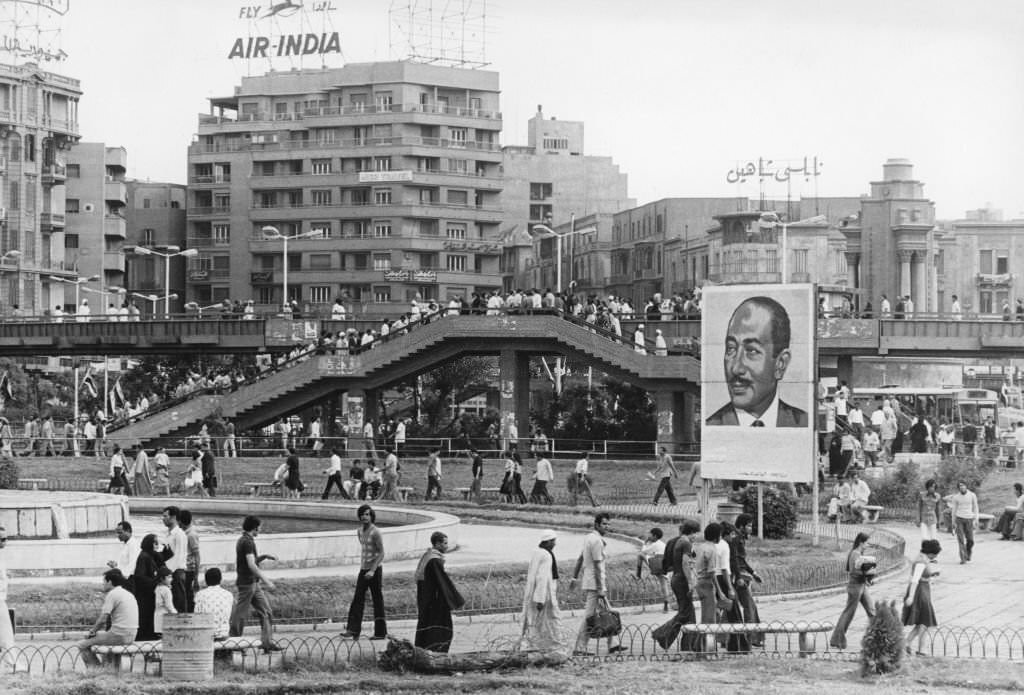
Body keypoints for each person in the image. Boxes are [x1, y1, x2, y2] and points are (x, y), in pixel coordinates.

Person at [705, 296, 808, 427]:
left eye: (752, 351)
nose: (736, 368)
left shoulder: (803, 423)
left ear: (781, 363)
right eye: (731, 348)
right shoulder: (712, 426)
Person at [571, 513, 624, 656]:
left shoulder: (589, 538)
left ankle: (613, 644)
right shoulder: (597, 542)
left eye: (608, 524)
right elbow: (597, 566)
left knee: (607, 611)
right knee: (589, 616)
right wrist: (601, 588)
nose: (607, 527)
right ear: (596, 524)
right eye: (604, 524)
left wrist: (575, 577)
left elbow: (581, 558)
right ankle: (580, 648)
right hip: (595, 584)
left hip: (592, 582)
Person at [228, 516, 280, 651]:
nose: (260, 529)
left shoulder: (244, 540)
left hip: (253, 584)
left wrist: (263, 557)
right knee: (240, 615)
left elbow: (249, 561)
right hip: (247, 584)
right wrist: (267, 581)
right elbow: (251, 565)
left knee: (266, 611)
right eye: (259, 527)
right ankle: (234, 643)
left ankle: (267, 643)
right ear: (255, 527)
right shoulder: (247, 542)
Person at [76, 569, 139, 667]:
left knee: (82, 644)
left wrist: (92, 632)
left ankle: (96, 670)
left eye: (104, 582)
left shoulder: (112, 594)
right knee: (103, 637)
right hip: (132, 635)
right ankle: (112, 669)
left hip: (119, 635)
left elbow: (103, 619)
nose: (103, 584)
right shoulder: (127, 593)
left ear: (109, 582)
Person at [414, 531, 465, 652]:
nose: (447, 546)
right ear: (437, 544)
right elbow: (443, 582)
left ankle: (423, 650)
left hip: (426, 599)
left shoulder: (427, 556)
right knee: (441, 627)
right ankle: (437, 652)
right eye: (445, 543)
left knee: (426, 625)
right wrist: (456, 600)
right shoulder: (434, 560)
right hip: (435, 601)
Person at [342, 505, 387, 640]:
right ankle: (353, 630)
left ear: (372, 516)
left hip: (374, 570)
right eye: (362, 514)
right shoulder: (359, 531)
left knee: (377, 600)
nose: (364, 517)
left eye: (367, 514)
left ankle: (380, 633)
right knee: (358, 599)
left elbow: (381, 553)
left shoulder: (376, 532)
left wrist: (373, 570)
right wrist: (366, 569)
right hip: (363, 569)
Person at [520, 529, 566, 653]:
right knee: (552, 622)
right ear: (547, 542)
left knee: (533, 622)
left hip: (533, 593)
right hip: (545, 596)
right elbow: (542, 578)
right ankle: (554, 648)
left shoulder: (537, 552)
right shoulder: (546, 555)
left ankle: (531, 646)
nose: (555, 544)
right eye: (553, 541)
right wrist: (540, 599)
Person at [829, 532, 876, 650]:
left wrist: (868, 578)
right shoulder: (855, 554)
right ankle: (837, 640)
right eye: (867, 543)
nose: (868, 545)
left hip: (861, 586)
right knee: (848, 613)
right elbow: (853, 572)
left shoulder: (860, 554)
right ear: (861, 542)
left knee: (872, 611)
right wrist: (868, 573)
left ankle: (876, 638)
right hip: (855, 587)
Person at [902, 539, 941, 656]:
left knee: (923, 621)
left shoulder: (923, 559)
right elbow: (914, 580)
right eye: (935, 554)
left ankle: (908, 643)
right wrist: (910, 596)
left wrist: (931, 575)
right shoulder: (921, 562)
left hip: (924, 589)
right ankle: (917, 647)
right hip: (920, 592)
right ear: (931, 553)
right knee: (925, 620)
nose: (934, 557)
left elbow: (921, 576)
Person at [730, 514, 763, 647]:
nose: (751, 528)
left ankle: (723, 637)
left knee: (733, 608)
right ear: (741, 526)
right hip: (739, 577)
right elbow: (736, 560)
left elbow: (741, 560)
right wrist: (738, 577)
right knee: (749, 607)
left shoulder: (739, 538)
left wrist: (753, 573)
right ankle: (752, 638)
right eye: (749, 525)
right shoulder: (737, 538)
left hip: (741, 575)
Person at [132, 533, 164, 641]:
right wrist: (155, 580)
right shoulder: (144, 557)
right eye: (155, 543)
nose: (157, 545)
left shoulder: (149, 555)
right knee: (145, 617)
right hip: (144, 594)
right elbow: (139, 576)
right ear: (150, 544)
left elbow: (162, 559)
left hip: (149, 592)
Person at [160, 505, 189, 613]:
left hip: (176, 571)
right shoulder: (168, 534)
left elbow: (179, 556)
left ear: (173, 517)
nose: (163, 518)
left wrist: (168, 571)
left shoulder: (179, 534)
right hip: (169, 572)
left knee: (179, 601)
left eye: (165, 516)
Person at [637, 527, 671, 612]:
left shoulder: (655, 545)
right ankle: (666, 604)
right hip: (665, 565)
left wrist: (645, 542)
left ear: (655, 536)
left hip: (658, 565)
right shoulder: (661, 543)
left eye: (650, 534)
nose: (649, 536)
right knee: (664, 584)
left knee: (640, 555)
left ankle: (638, 574)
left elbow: (644, 551)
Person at [194, 567, 233, 640]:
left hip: (205, 635)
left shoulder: (200, 594)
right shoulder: (228, 594)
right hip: (223, 634)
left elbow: (197, 615)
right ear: (220, 579)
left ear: (206, 581)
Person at [948, 480, 979, 564]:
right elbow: (954, 510)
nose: (962, 487)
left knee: (970, 540)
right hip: (959, 519)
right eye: (960, 486)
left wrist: (976, 519)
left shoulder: (972, 495)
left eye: (963, 485)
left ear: (966, 486)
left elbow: (975, 507)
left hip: (969, 519)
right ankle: (963, 558)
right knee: (960, 539)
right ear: (958, 488)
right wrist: (953, 522)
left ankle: (968, 552)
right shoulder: (956, 497)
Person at [180, 509, 201, 612]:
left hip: (189, 570)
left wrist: (196, 577)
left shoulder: (191, 535)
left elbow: (197, 556)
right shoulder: (184, 533)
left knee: (188, 596)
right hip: (185, 569)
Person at [153, 567, 177, 638]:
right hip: (165, 618)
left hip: (157, 617)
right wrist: (176, 613)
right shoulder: (166, 590)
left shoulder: (157, 588)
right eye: (169, 577)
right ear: (162, 578)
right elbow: (169, 605)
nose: (171, 579)